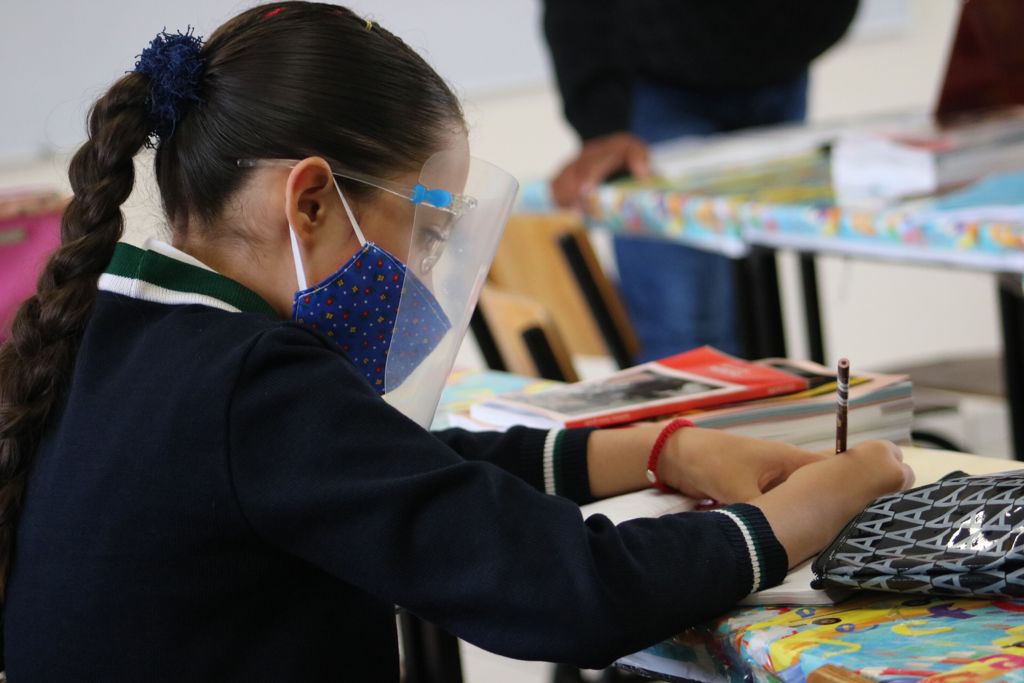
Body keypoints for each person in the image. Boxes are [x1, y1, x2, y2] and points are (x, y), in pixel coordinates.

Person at [0, 3, 911, 680]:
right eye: (427, 226)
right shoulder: (256, 385)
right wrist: (831, 496)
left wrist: (662, 448)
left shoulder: (124, 324)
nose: (430, 265)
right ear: (311, 200)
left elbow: (398, 470)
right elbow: (572, 592)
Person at [543, 0, 860, 361]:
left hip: (781, 68)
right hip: (657, 82)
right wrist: (601, 121)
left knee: (762, 320)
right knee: (686, 334)